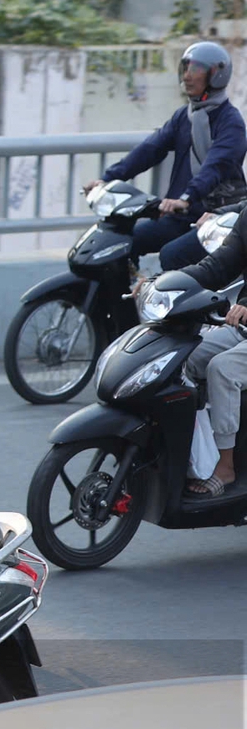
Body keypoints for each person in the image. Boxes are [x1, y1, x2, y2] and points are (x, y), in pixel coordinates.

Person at [87, 41, 247, 270]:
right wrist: (109, 178)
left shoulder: (231, 123)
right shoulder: (184, 116)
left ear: (216, 75)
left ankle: (182, 306)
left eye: (196, 69)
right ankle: (126, 303)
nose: (187, 76)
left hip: (215, 217)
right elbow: (150, 150)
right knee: (123, 241)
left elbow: (216, 165)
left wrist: (186, 196)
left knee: (172, 255)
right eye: (185, 68)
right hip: (183, 213)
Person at [172, 210, 247, 496]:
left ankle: (225, 466)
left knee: (223, 369)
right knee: (183, 359)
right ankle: (197, 453)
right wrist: (171, 281)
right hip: (243, 325)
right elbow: (218, 264)